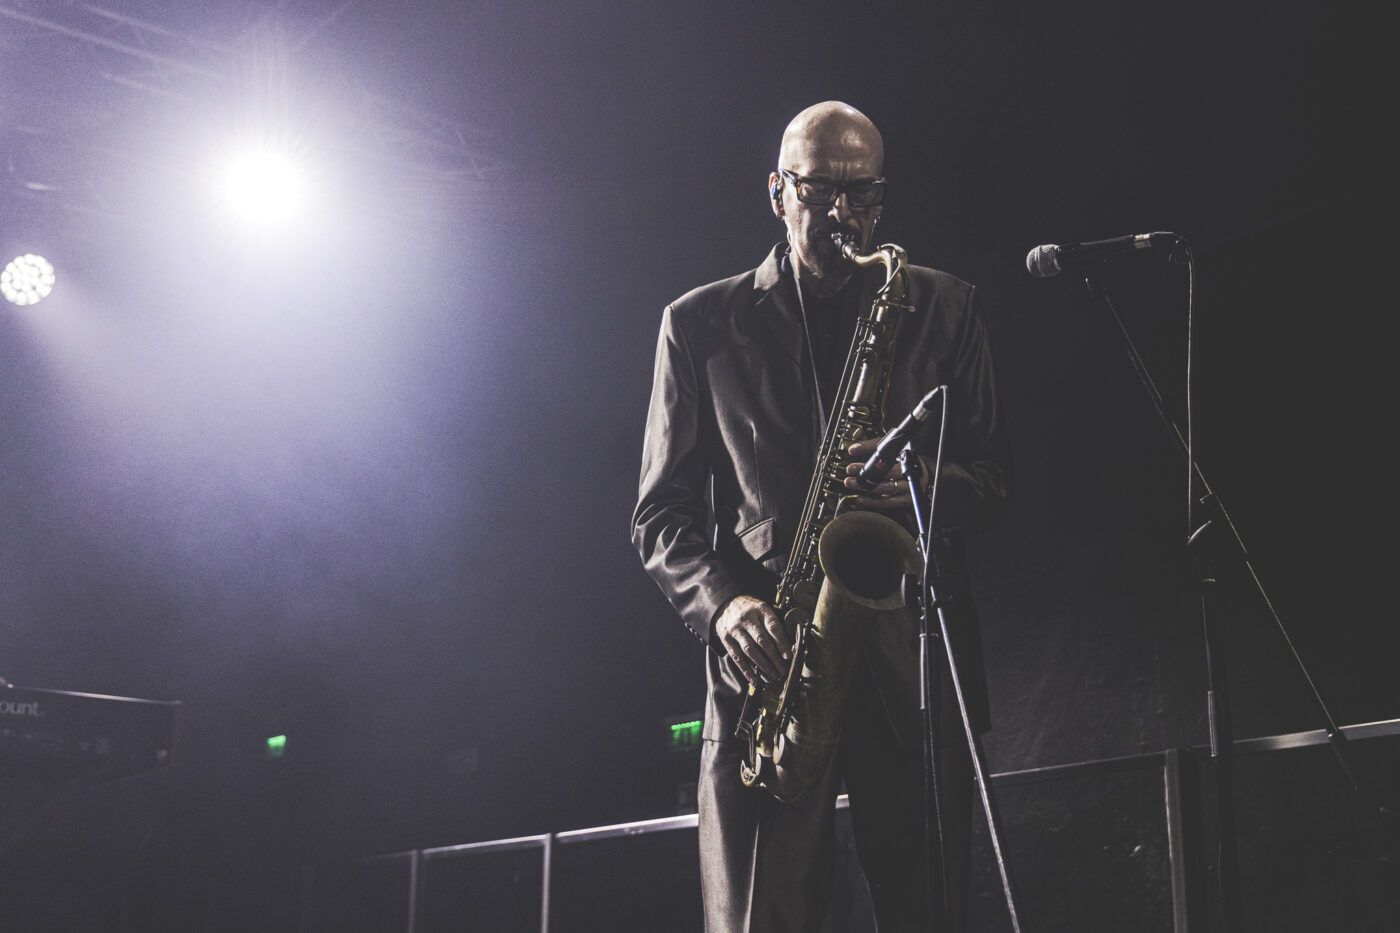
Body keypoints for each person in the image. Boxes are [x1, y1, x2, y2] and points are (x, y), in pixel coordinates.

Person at [632, 101, 1010, 932]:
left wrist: (914, 477)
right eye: (820, 191)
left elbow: (993, 477)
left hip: (908, 654)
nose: (845, 214)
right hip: (772, 662)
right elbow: (661, 515)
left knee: (930, 908)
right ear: (777, 191)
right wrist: (724, 603)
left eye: (865, 195)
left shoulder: (944, 307)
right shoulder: (698, 324)